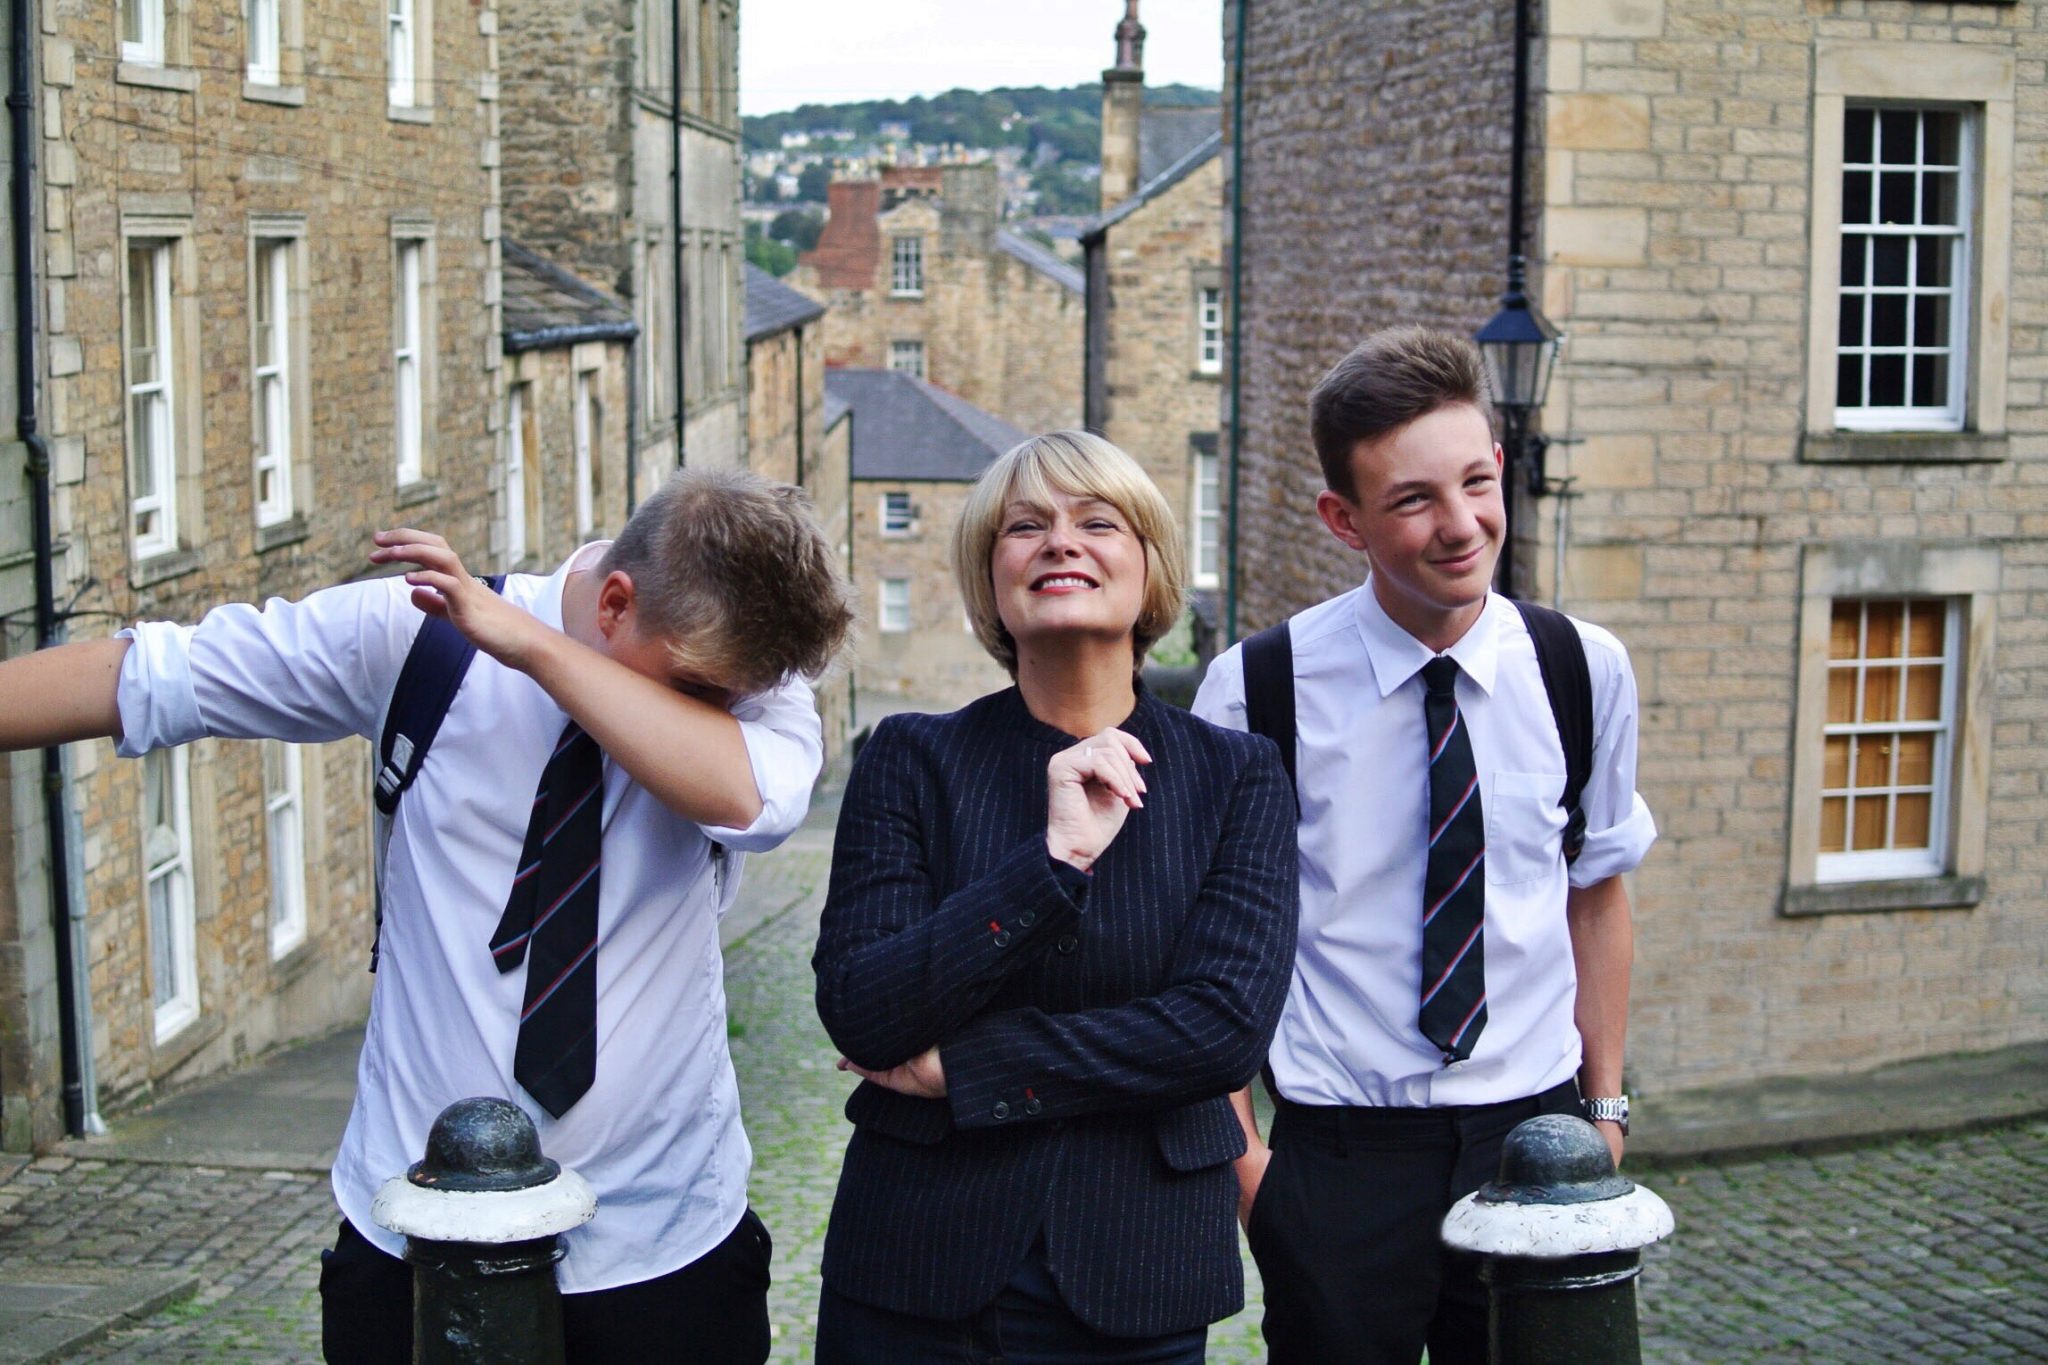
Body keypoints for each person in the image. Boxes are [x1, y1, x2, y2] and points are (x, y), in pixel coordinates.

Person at [0, 469, 854, 1363]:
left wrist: (529, 648)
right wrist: (492, 639)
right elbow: (158, 676)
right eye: (699, 687)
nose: (722, 707)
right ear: (613, 601)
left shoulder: (755, 674)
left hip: (664, 1247)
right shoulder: (425, 638)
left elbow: (754, 801)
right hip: (416, 1232)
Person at [1192, 327, 1656, 1365]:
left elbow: (1595, 894)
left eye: (1477, 482)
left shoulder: (1583, 670)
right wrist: (1253, 1169)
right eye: (1412, 500)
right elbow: (1209, 945)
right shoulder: (1256, 689)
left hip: (1533, 1139)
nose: (1461, 527)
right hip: (1338, 1157)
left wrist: (1604, 1108)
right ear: (1341, 520)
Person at [810, 431, 1298, 1363]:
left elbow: (1220, 1028)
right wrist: (1052, 859)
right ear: (991, 580)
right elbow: (864, 1010)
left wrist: (966, 1066)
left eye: (1098, 522)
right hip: (915, 1267)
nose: (1060, 542)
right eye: (1024, 526)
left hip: (1137, 1269)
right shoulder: (911, 759)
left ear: (1149, 569)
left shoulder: (1238, 775)